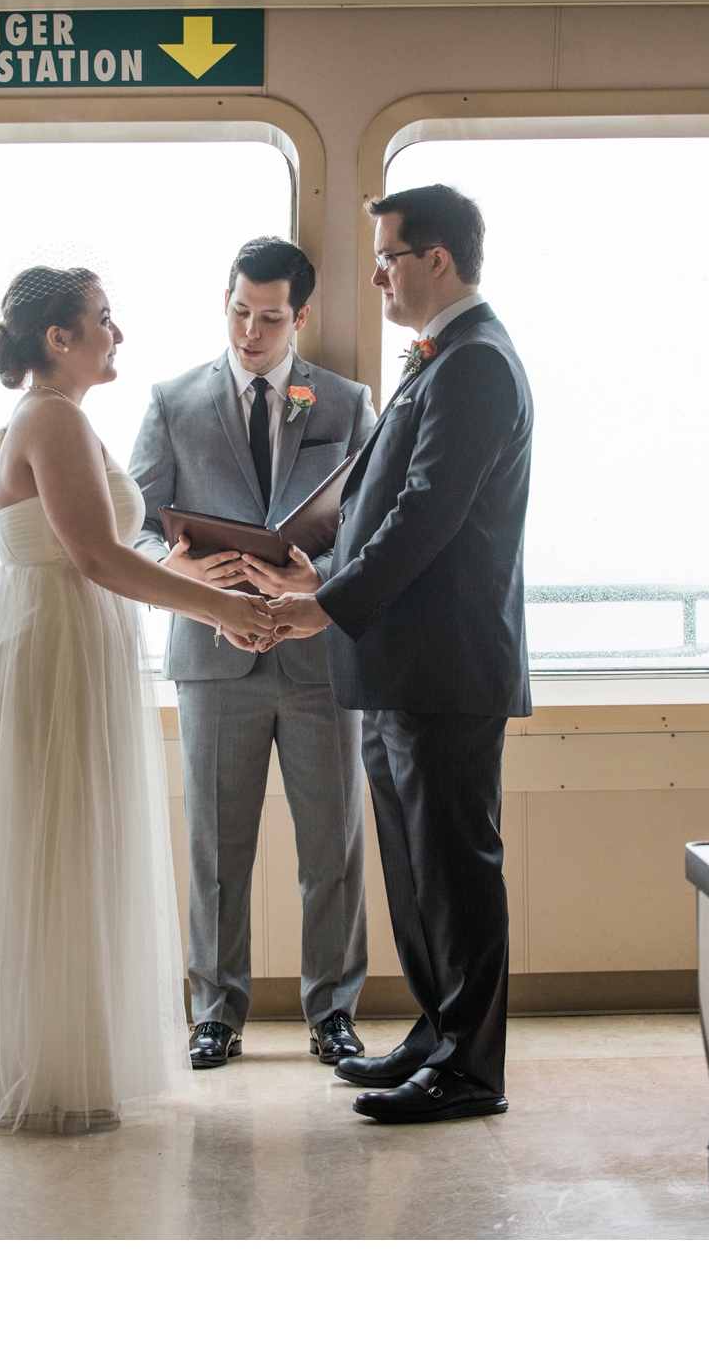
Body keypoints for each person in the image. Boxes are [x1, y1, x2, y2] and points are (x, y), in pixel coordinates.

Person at [0, 265, 280, 1134]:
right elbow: (94, 555)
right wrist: (223, 609)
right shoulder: (51, 418)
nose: (116, 334)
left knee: (69, 841)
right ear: (59, 339)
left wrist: (186, 573)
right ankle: (43, 1066)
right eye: (102, 318)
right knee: (56, 839)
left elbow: (94, 547)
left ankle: (62, 1055)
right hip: (54, 647)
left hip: (69, 638)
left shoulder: (58, 419)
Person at [269, 184, 532, 1124]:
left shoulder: (475, 364)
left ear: (439, 261)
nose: (376, 270)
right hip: (401, 661)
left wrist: (326, 608)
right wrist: (313, 576)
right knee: (415, 865)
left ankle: (472, 1067)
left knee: (457, 867)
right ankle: (437, 1032)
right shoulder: (439, 360)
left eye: (389, 254)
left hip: (446, 663)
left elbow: (428, 515)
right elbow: (381, 508)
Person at [127, 237, 375, 1072]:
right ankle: (214, 1013)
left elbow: (374, 535)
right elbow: (130, 525)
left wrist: (324, 578)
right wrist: (183, 567)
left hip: (317, 661)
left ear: (299, 316)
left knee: (331, 847)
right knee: (215, 848)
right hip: (212, 656)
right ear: (225, 301)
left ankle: (333, 1013)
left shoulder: (345, 402)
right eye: (239, 312)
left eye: (270, 318)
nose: (250, 332)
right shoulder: (171, 402)